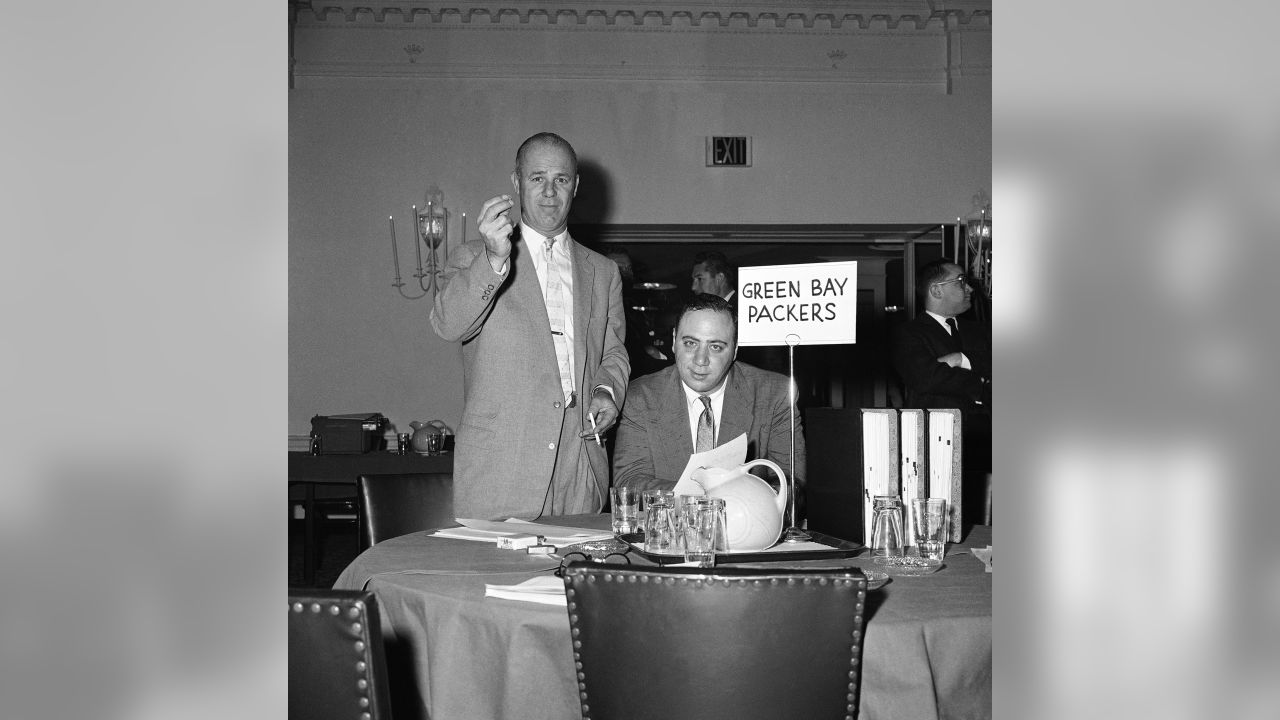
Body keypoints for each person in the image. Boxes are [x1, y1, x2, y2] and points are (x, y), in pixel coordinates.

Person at [430, 132, 629, 519]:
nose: (550, 192)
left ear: (576, 187)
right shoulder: (475, 257)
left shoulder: (603, 272)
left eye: (561, 179)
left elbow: (613, 351)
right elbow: (447, 324)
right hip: (502, 466)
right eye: (537, 178)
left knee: (576, 577)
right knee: (498, 578)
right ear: (517, 182)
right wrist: (492, 259)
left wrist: (606, 391)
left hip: (580, 461)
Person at [612, 294, 805, 504]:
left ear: (735, 350)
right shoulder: (641, 396)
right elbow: (629, 484)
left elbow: (792, 485)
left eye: (715, 347)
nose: (700, 360)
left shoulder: (774, 394)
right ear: (674, 340)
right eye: (690, 343)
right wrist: (706, 499)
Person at [890, 259, 992, 525]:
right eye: (960, 282)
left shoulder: (982, 331)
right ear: (936, 290)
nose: (969, 288)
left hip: (987, 445)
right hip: (937, 446)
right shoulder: (909, 334)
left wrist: (960, 358)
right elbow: (926, 377)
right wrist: (981, 385)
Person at [691, 250, 789, 374]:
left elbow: (768, 359)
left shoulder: (749, 309)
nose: (693, 287)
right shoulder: (705, 313)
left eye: (699, 279)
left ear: (719, 278)